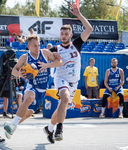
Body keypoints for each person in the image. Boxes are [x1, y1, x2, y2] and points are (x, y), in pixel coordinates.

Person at [44, 3, 93, 144]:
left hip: (74, 82)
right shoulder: (55, 48)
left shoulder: (76, 44)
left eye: (66, 34)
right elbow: (44, 55)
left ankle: (49, 128)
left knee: (61, 108)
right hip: (60, 79)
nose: (63, 36)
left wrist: (78, 14)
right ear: (60, 34)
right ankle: (60, 129)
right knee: (64, 98)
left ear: (70, 35)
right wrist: (48, 55)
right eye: (62, 34)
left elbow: (89, 29)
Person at [3, 35, 63, 139]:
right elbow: (14, 71)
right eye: (35, 46)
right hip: (31, 85)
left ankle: (12, 125)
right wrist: (20, 74)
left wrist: (47, 65)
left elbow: (59, 62)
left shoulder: (45, 53)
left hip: (43, 89)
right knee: (29, 98)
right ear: (29, 46)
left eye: (39, 45)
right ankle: (13, 125)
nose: (37, 47)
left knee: (28, 113)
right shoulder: (24, 58)